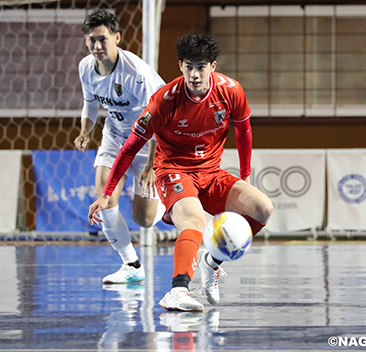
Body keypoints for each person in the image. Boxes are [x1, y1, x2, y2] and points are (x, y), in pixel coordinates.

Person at [89, 33, 274, 311]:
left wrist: (245, 176)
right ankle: (178, 291)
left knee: (263, 208)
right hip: (173, 171)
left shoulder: (231, 90)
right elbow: (128, 149)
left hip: (211, 172)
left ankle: (212, 262)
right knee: (194, 220)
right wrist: (107, 193)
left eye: (201, 67)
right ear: (180, 66)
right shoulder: (163, 101)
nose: (194, 75)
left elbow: (244, 131)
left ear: (213, 66)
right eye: (189, 67)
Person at [74, 9, 166, 284]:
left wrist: (152, 164)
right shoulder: (85, 67)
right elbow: (90, 103)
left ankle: (168, 202)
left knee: (144, 219)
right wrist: (85, 132)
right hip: (114, 137)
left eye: (102, 39)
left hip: (149, 140)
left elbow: (158, 118)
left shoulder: (135, 73)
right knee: (104, 198)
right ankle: (131, 265)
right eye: (92, 40)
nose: (97, 46)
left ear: (117, 38)